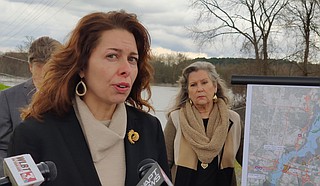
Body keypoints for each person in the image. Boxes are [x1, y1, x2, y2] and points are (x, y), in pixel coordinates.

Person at [8, 10, 170, 186]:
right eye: (112, 56)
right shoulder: (35, 134)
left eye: (132, 59)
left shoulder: (149, 129)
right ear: (82, 66)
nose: (126, 69)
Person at [164, 61, 242, 186]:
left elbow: (249, 161)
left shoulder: (233, 120)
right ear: (188, 91)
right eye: (193, 85)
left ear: (215, 86)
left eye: (204, 83)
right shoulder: (176, 119)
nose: (199, 89)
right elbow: (163, 164)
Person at [0, 36, 61, 177]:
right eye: (41, 73)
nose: (47, 81)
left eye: (53, 72)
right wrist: (17, 177)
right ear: (30, 67)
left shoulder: (74, 98)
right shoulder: (7, 99)